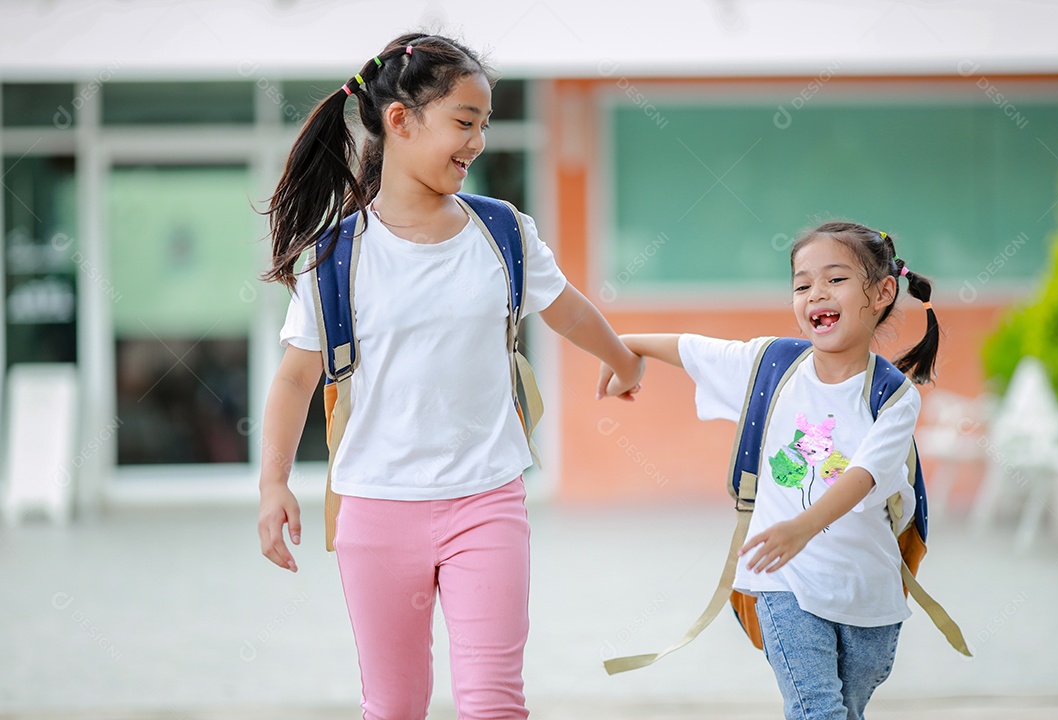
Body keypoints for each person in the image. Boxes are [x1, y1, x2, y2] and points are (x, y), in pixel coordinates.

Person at [255, 33, 644, 720]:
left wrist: (620, 360)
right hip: (374, 509)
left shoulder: (503, 233)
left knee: (494, 703)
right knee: (395, 704)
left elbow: (568, 311)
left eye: (485, 124)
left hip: (487, 502)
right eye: (465, 122)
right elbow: (293, 380)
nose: (479, 141)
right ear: (401, 122)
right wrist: (273, 484)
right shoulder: (337, 257)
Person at [601, 222, 939, 720]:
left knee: (846, 710)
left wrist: (802, 526)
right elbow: (694, 348)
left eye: (835, 279)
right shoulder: (774, 363)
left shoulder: (893, 397)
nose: (815, 294)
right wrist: (623, 347)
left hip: (870, 598)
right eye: (802, 285)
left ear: (882, 292)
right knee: (816, 712)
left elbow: (864, 474)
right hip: (785, 584)